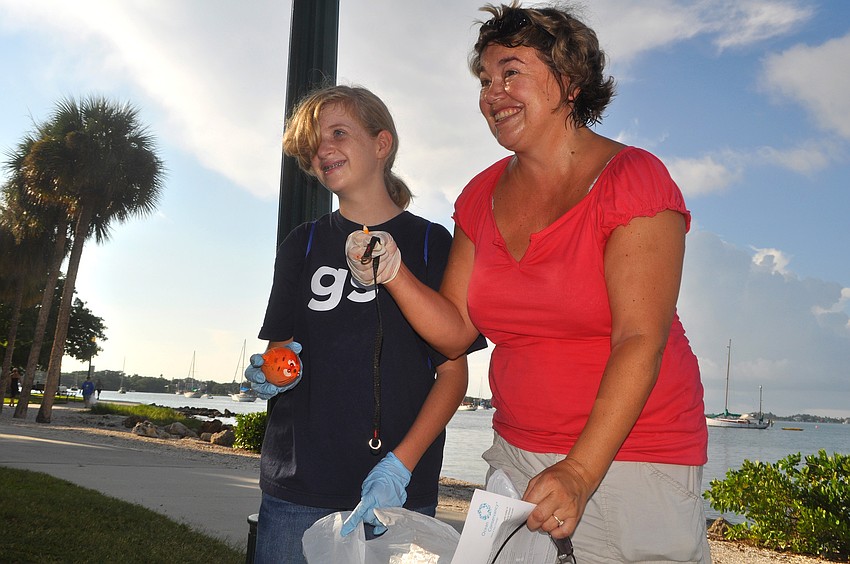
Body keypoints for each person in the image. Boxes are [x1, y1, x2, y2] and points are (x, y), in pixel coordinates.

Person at [346, 3, 710, 562]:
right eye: (486, 80)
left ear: (568, 80)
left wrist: (581, 471)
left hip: (631, 461)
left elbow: (640, 339)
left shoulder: (634, 180)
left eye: (511, 71)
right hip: (516, 454)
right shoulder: (479, 195)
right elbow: (455, 332)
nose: (493, 94)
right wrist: (393, 273)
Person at [245, 85, 485, 563]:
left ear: (382, 144)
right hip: (298, 490)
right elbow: (281, 353)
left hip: (398, 496)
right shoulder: (303, 243)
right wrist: (269, 374)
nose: (324, 149)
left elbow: (453, 373)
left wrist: (401, 465)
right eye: (315, 143)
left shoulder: (430, 243)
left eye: (338, 133)